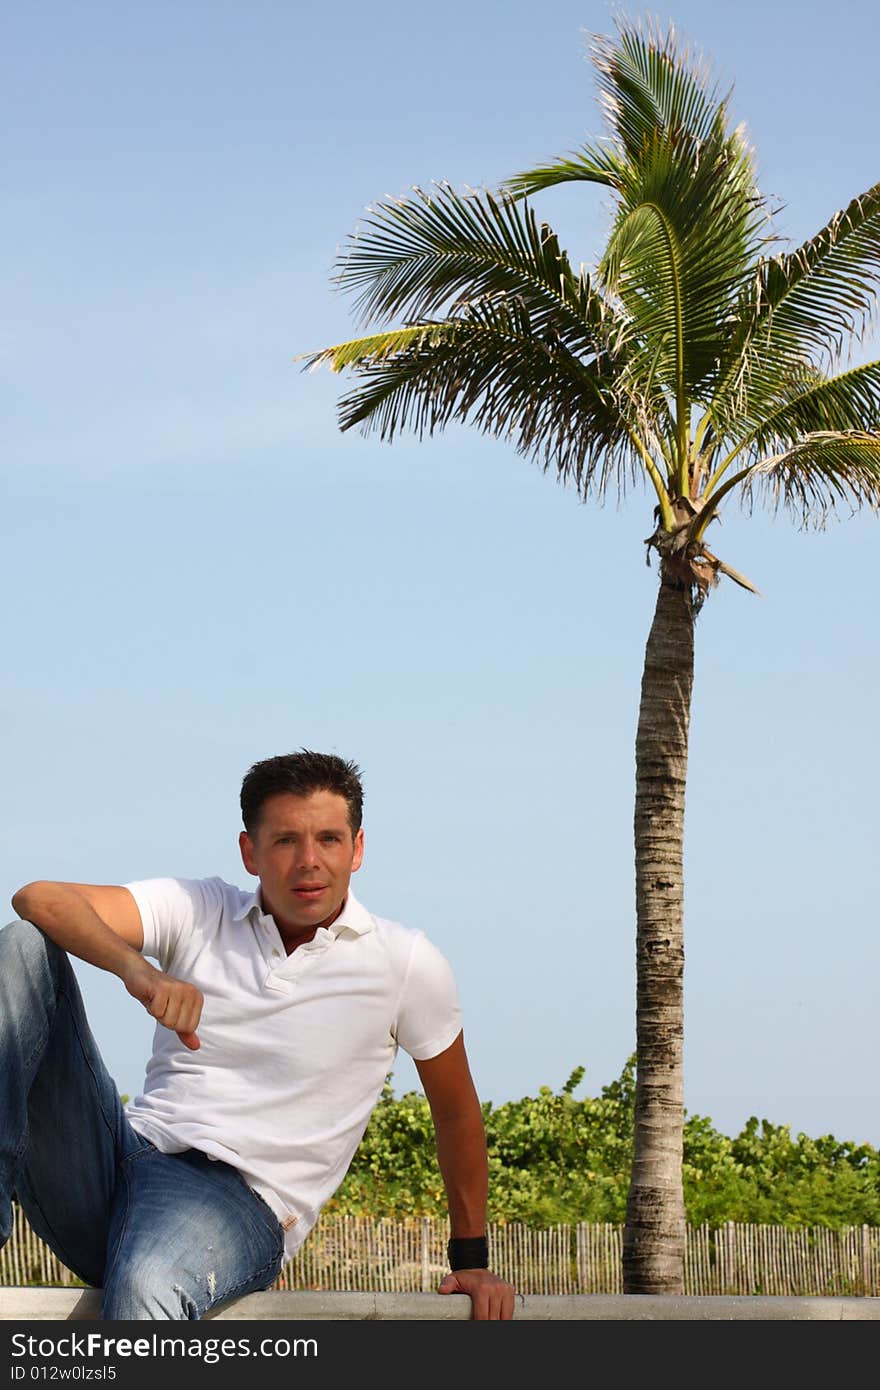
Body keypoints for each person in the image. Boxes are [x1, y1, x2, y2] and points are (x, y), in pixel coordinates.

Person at [1, 750, 515, 1321]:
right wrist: (139, 972)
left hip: (232, 1199)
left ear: (358, 849)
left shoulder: (405, 963)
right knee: (21, 948)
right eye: (286, 841)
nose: (309, 862)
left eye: (329, 839)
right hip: (118, 1156)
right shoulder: (200, 909)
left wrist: (471, 1257)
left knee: (149, 1285)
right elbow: (39, 899)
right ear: (251, 852)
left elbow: (457, 1113)